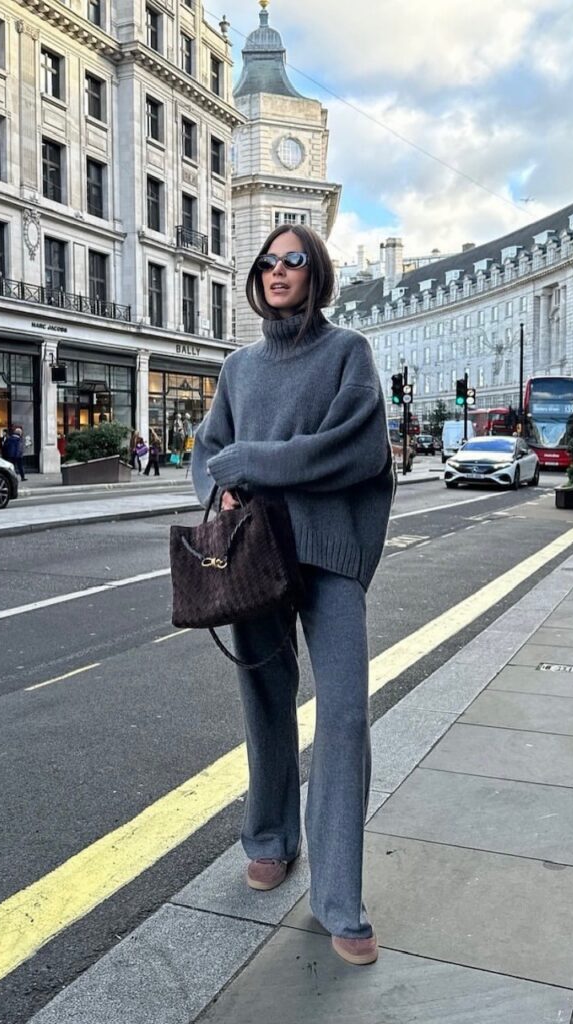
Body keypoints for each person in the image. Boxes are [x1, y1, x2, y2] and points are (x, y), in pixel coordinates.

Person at [191, 224, 394, 967]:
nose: (278, 271)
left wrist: (251, 460)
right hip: (251, 554)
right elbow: (207, 451)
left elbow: (354, 449)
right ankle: (271, 838)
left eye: (293, 260)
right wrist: (219, 477)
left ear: (317, 273)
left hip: (328, 557)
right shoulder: (237, 367)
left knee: (343, 716)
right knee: (264, 705)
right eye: (268, 262)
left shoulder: (347, 354)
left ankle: (338, 896)